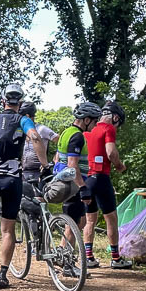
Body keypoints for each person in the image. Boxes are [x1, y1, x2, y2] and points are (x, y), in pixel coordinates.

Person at [0, 82, 47, 288]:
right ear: (20, 103)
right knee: (8, 228)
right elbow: (35, 137)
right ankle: (3, 274)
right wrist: (45, 164)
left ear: (3, 101)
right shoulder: (23, 119)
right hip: (12, 178)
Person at [81, 99, 133, 270]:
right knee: (111, 219)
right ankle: (116, 259)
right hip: (101, 177)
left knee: (90, 220)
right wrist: (119, 165)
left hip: (87, 179)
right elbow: (111, 152)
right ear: (115, 117)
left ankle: (89, 257)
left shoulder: (88, 129)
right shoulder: (108, 128)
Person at [55, 101, 102, 236]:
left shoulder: (66, 132)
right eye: (95, 121)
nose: (96, 125)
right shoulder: (77, 136)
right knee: (72, 226)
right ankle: (64, 249)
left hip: (65, 180)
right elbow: (72, 164)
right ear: (86, 120)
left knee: (79, 223)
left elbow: (56, 158)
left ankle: (66, 249)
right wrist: (82, 187)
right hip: (73, 184)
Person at [20, 100, 57, 187]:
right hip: (23, 172)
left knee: (39, 195)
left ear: (27, 116)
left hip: (39, 172)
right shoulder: (20, 130)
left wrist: (55, 160)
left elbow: (60, 141)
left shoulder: (41, 129)